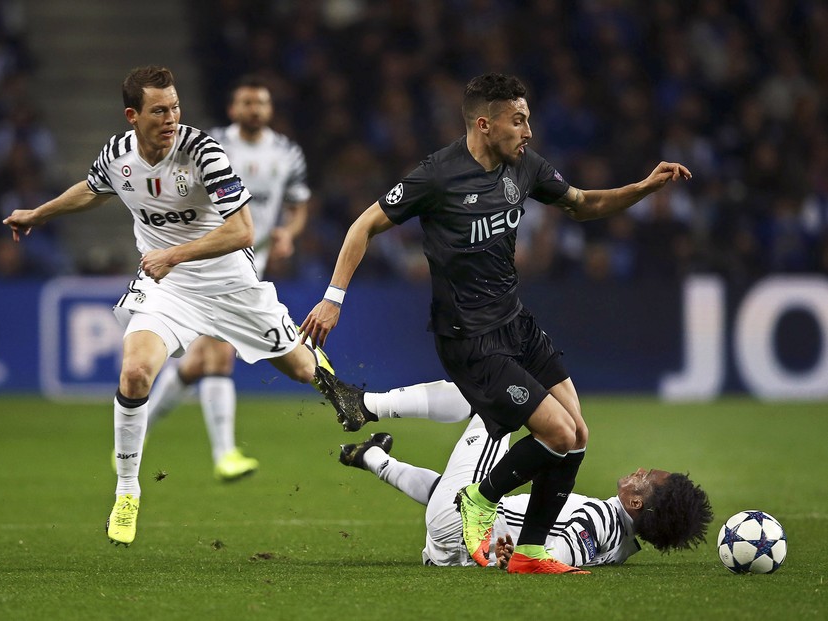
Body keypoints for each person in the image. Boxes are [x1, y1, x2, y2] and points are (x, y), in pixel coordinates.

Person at [301, 73, 692, 574]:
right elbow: (363, 226)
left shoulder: (524, 167)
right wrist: (334, 298)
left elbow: (581, 204)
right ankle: (479, 501)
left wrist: (642, 188)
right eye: (518, 120)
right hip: (471, 339)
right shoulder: (436, 176)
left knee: (578, 435)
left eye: (528, 119)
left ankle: (529, 552)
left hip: (515, 322)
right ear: (485, 124)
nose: (528, 131)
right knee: (554, 432)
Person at [3, 66, 342, 547]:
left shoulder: (202, 151)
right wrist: (38, 213)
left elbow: (243, 232)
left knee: (302, 370)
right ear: (132, 116)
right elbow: (93, 189)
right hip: (169, 288)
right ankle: (126, 492)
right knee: (136, 371)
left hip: (229, 282)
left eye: (175, 106)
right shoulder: (117, 156)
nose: (171, 117)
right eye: (159, 109)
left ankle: (348, 393)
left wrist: (172, 253)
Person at [146, 75, 312, 482]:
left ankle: (135, 431)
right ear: (233, 109)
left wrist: (288, 233)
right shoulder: (208, 144)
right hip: (208, 262)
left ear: (269, 110)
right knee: (218, 354)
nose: (254, 109)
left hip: (252, 265)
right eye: (246, 102)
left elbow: (299, 204)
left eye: (261, 103)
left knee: (198, 362)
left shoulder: (287, 153)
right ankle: (225, 455)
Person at [338, 415, 713, 569]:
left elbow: (557, 554)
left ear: (635, 501)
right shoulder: (620, 544)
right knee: (464, 486)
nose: (639, 470)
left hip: (463, 536)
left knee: (493, 402)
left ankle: (368, 404)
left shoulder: (597, 521)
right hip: (453, 549)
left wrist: (502, 556)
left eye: (645, 477)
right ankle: (372, 456)